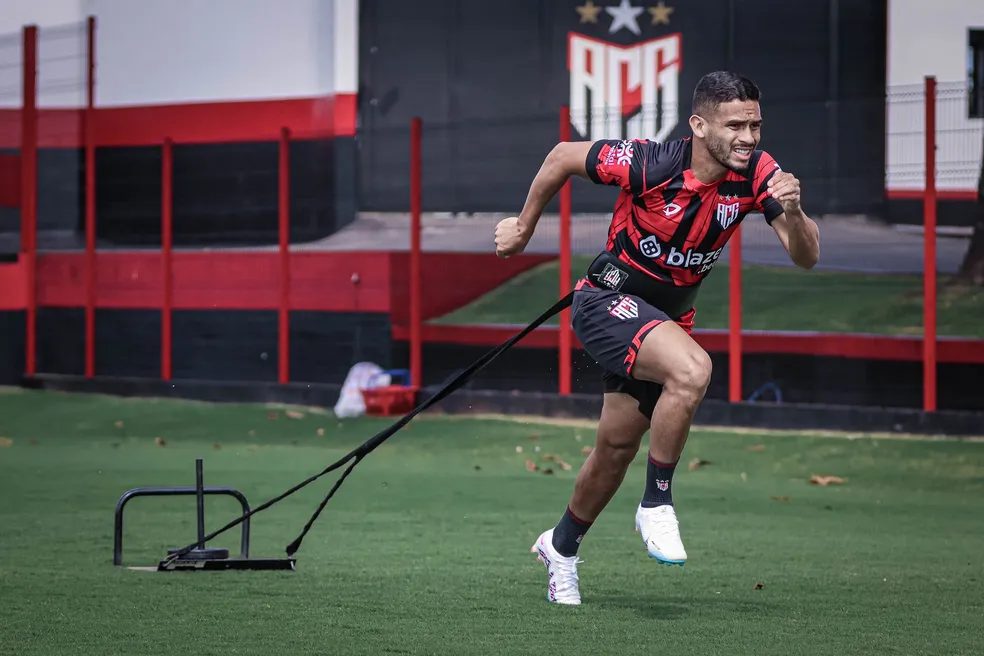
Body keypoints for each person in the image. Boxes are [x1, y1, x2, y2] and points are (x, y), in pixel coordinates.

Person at [494, 71, 820, 605]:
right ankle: (657, 503)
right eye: (734, 125)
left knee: (615, 448)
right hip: (606, 302)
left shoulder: (761, 175)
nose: (749, 137)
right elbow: (560, 156)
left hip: (664, 320)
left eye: (755, 124)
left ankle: (561, 547)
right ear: (698, 124)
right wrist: (525, 226)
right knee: (692, 370)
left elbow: (806, 257)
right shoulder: (649, 162)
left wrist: (798, 210)